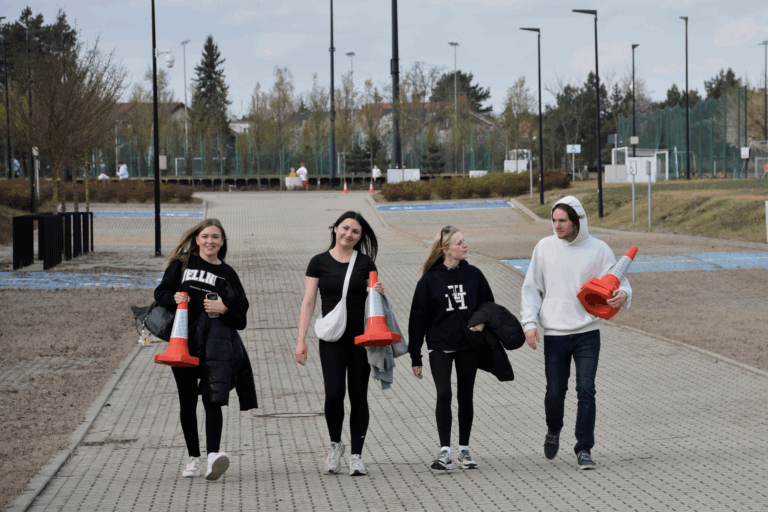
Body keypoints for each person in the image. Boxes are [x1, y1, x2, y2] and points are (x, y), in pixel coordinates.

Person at [520, 196, 631, 471]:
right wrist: (529, 323)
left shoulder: (599, 249)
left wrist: (623, 295)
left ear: (577, 222)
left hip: (587, 333)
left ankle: (584, 448)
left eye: (562, 221)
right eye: (554, 220)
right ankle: (553, 429)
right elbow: (531, 288)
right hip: (555, 333)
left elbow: (619, 281)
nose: (557, 226)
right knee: (555, 392)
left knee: (586, 389)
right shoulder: (544, 248)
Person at [154, 219, 257, 481]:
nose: (210, 241)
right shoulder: (182, 264)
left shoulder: (228, 274)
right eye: (205, 236)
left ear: (222, 242)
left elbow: (241, 319)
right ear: (197, 239)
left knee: (213, 400)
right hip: (182, 344)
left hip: (215, 348)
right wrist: (174, 297)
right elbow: (161, 292)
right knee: (187, 401)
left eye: (215, 237)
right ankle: (194, 459)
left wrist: (224, 309)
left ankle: (213, 457)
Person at [295, 211, 384, 476]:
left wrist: (379, 293)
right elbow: (309, 302)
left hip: (361, 340)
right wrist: (301, 340)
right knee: (334, 394)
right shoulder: (318, 262)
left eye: (355, 231)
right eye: (345, 228)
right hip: (331, 340)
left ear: (360, 237)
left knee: (358, 396)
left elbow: (374, 302)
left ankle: (357, 455)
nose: (349, 234)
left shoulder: (366, 263)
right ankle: (335, 445)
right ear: (335, 228)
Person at [408, 225, 494, 471]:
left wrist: (482, 322)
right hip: (439, 347)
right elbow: (417, 320)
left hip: (468, 345)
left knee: (465, 396)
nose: (465, 245)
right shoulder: (428, 280)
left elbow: (489, 304)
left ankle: (463, 450)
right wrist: (416, 356)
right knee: (444, 393)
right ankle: (444, 451)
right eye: (459, 242)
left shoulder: (474, 274)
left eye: (464, 241)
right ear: (445, 250)